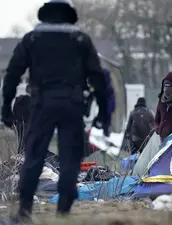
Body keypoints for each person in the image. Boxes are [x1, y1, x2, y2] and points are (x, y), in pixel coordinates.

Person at [1, 0, 109, 220]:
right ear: (69, 16)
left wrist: (5, 108)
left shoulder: (32, 39)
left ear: (44, 16)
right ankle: (64, 212)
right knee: (70, 157)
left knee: (34, 155)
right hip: (72, 105)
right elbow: (98, 77)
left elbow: (12, 74)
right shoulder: (80, 40)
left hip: (41, 104)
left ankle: (24, 210)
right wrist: (103, 114)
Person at [12, 84, 31, 154]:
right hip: (28, 125)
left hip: (19, 124)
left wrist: (14, 124)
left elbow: (14, 113)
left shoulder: (18, 100)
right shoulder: (32, 102)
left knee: (20, 143)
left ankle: (19, 157)